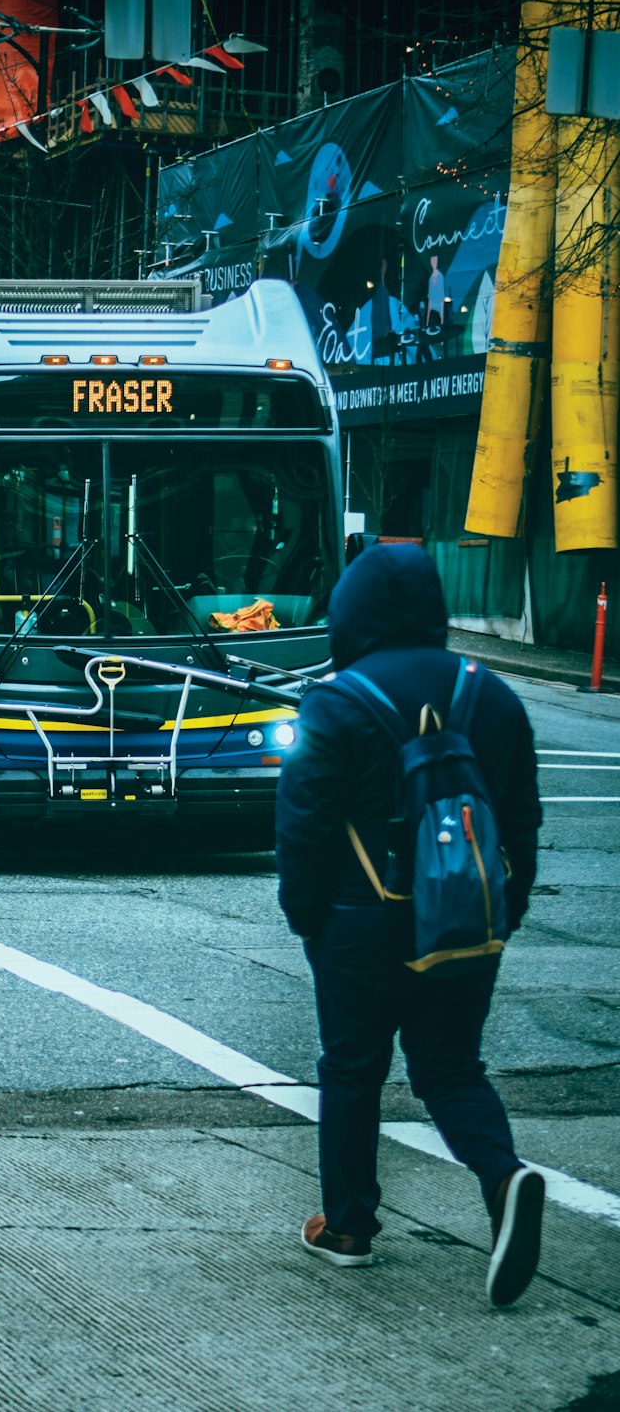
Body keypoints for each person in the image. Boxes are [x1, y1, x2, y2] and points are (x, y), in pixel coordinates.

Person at [275, 543, 544, 1307]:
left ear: (351, 610)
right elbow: (520, 820)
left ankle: (350, 1226)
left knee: (353, 1066)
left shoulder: (339, 699)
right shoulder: (490, 695)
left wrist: (308, 917)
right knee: (452, 1067)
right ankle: (503, 1176)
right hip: (465, 916)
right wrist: (506, 912)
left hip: (361, 919)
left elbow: (304, 824)